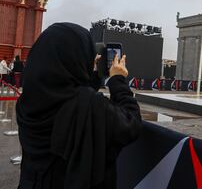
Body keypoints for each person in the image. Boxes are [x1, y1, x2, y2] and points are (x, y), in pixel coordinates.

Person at [16, 22, 142, 189]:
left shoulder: (28, 101)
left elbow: (68, 95)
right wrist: (117, 80)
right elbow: (130, 123)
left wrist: (93, 75)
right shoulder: (90, 105)